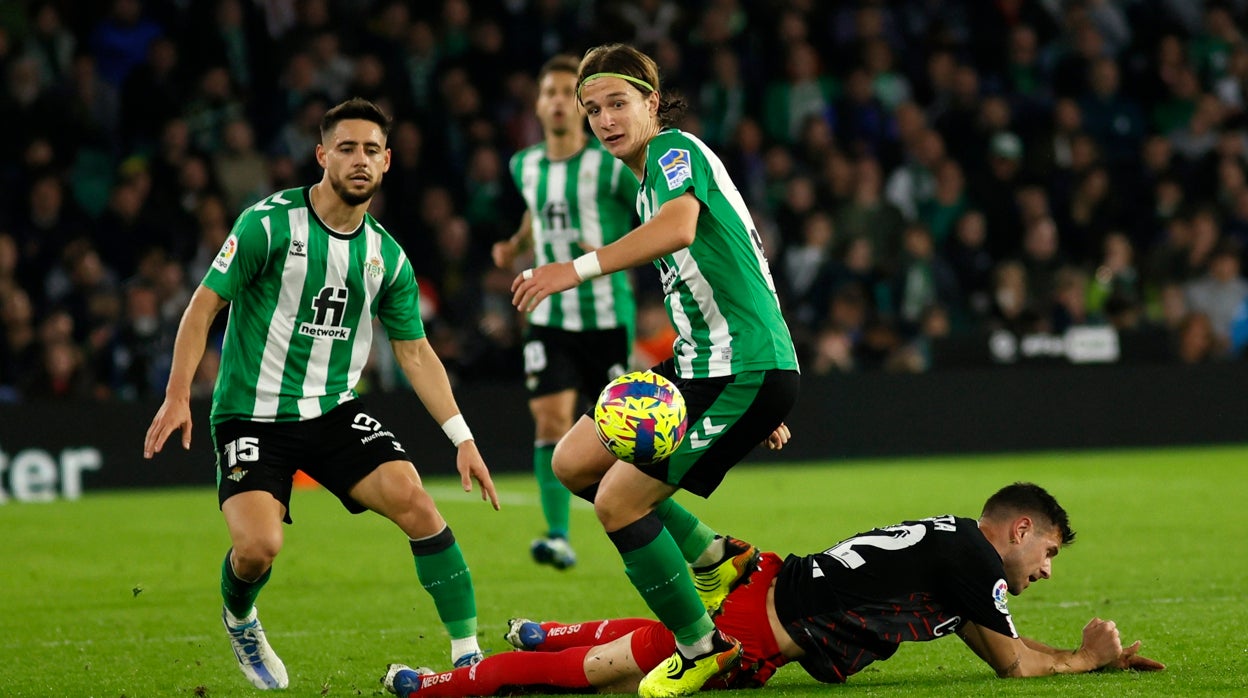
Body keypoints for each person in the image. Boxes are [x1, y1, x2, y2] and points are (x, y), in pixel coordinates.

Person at [142, 97, 500, 691]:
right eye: (347, 148)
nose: (360, 160)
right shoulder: (268, 223)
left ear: (387, 162)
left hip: (333, 409)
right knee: (259, 547)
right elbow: (204, 305)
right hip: (250, 415)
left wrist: (462, 438)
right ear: (321, 155)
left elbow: (415, 353)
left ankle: (469, 657)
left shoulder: (387, 256)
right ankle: (240, 615)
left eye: (371, 150)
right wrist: (179, 393)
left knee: (416, 502)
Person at [510, 43, 800, 697]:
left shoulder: (677, 154)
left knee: (616, 502)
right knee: (573, 461)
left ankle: (704, 648)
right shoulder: (648, 181)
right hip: (706, 364)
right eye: (593, 110)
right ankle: (717, 558)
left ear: (651, 102)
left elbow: (675, 231)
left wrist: (574, 270)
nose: (605, 119)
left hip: (744, 365)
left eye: (618, 103)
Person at [381, 482, 1164, 696]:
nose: (1047, 571)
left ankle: (547, 627)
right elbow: (1015, 665)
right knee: (597, 680)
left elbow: (990, 638)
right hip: (757, 623)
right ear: (1018, 530)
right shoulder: (976, 562)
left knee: (622, 655)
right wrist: (1089, 660)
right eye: (1050, 551)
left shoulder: (954, 542)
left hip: (770, 582)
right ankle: (436, 684)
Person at [492, 54, 640, 571]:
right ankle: (558, 535)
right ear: (538, 104)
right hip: (548, 316)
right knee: (550, 419)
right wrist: (514, 245)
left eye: (565, 93)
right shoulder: (523, 165)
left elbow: (653, 215)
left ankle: (641, 514)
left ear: (579, 107)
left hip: (606, 315)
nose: (557, 101)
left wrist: (603, 246)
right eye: (548, 92)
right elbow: (538, 209)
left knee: (624, 432)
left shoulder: (611, 164)